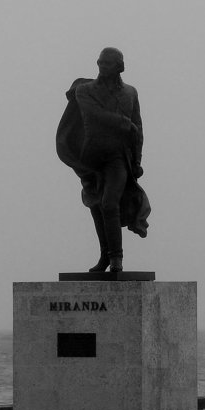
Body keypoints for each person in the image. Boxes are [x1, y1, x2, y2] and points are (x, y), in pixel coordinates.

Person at [55, 47, 149, 273]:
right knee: (96, 205)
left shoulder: (130, 93)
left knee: (109, 203)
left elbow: (139, 129)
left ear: (119, 67)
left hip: (118, 158)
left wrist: (136, 161)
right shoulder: (85, 91)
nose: (101, 67)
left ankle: (117, 258)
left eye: (107, 63)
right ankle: (105, 256)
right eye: (99, 62)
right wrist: (124, 124)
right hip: (91, 157)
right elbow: (93, 114)